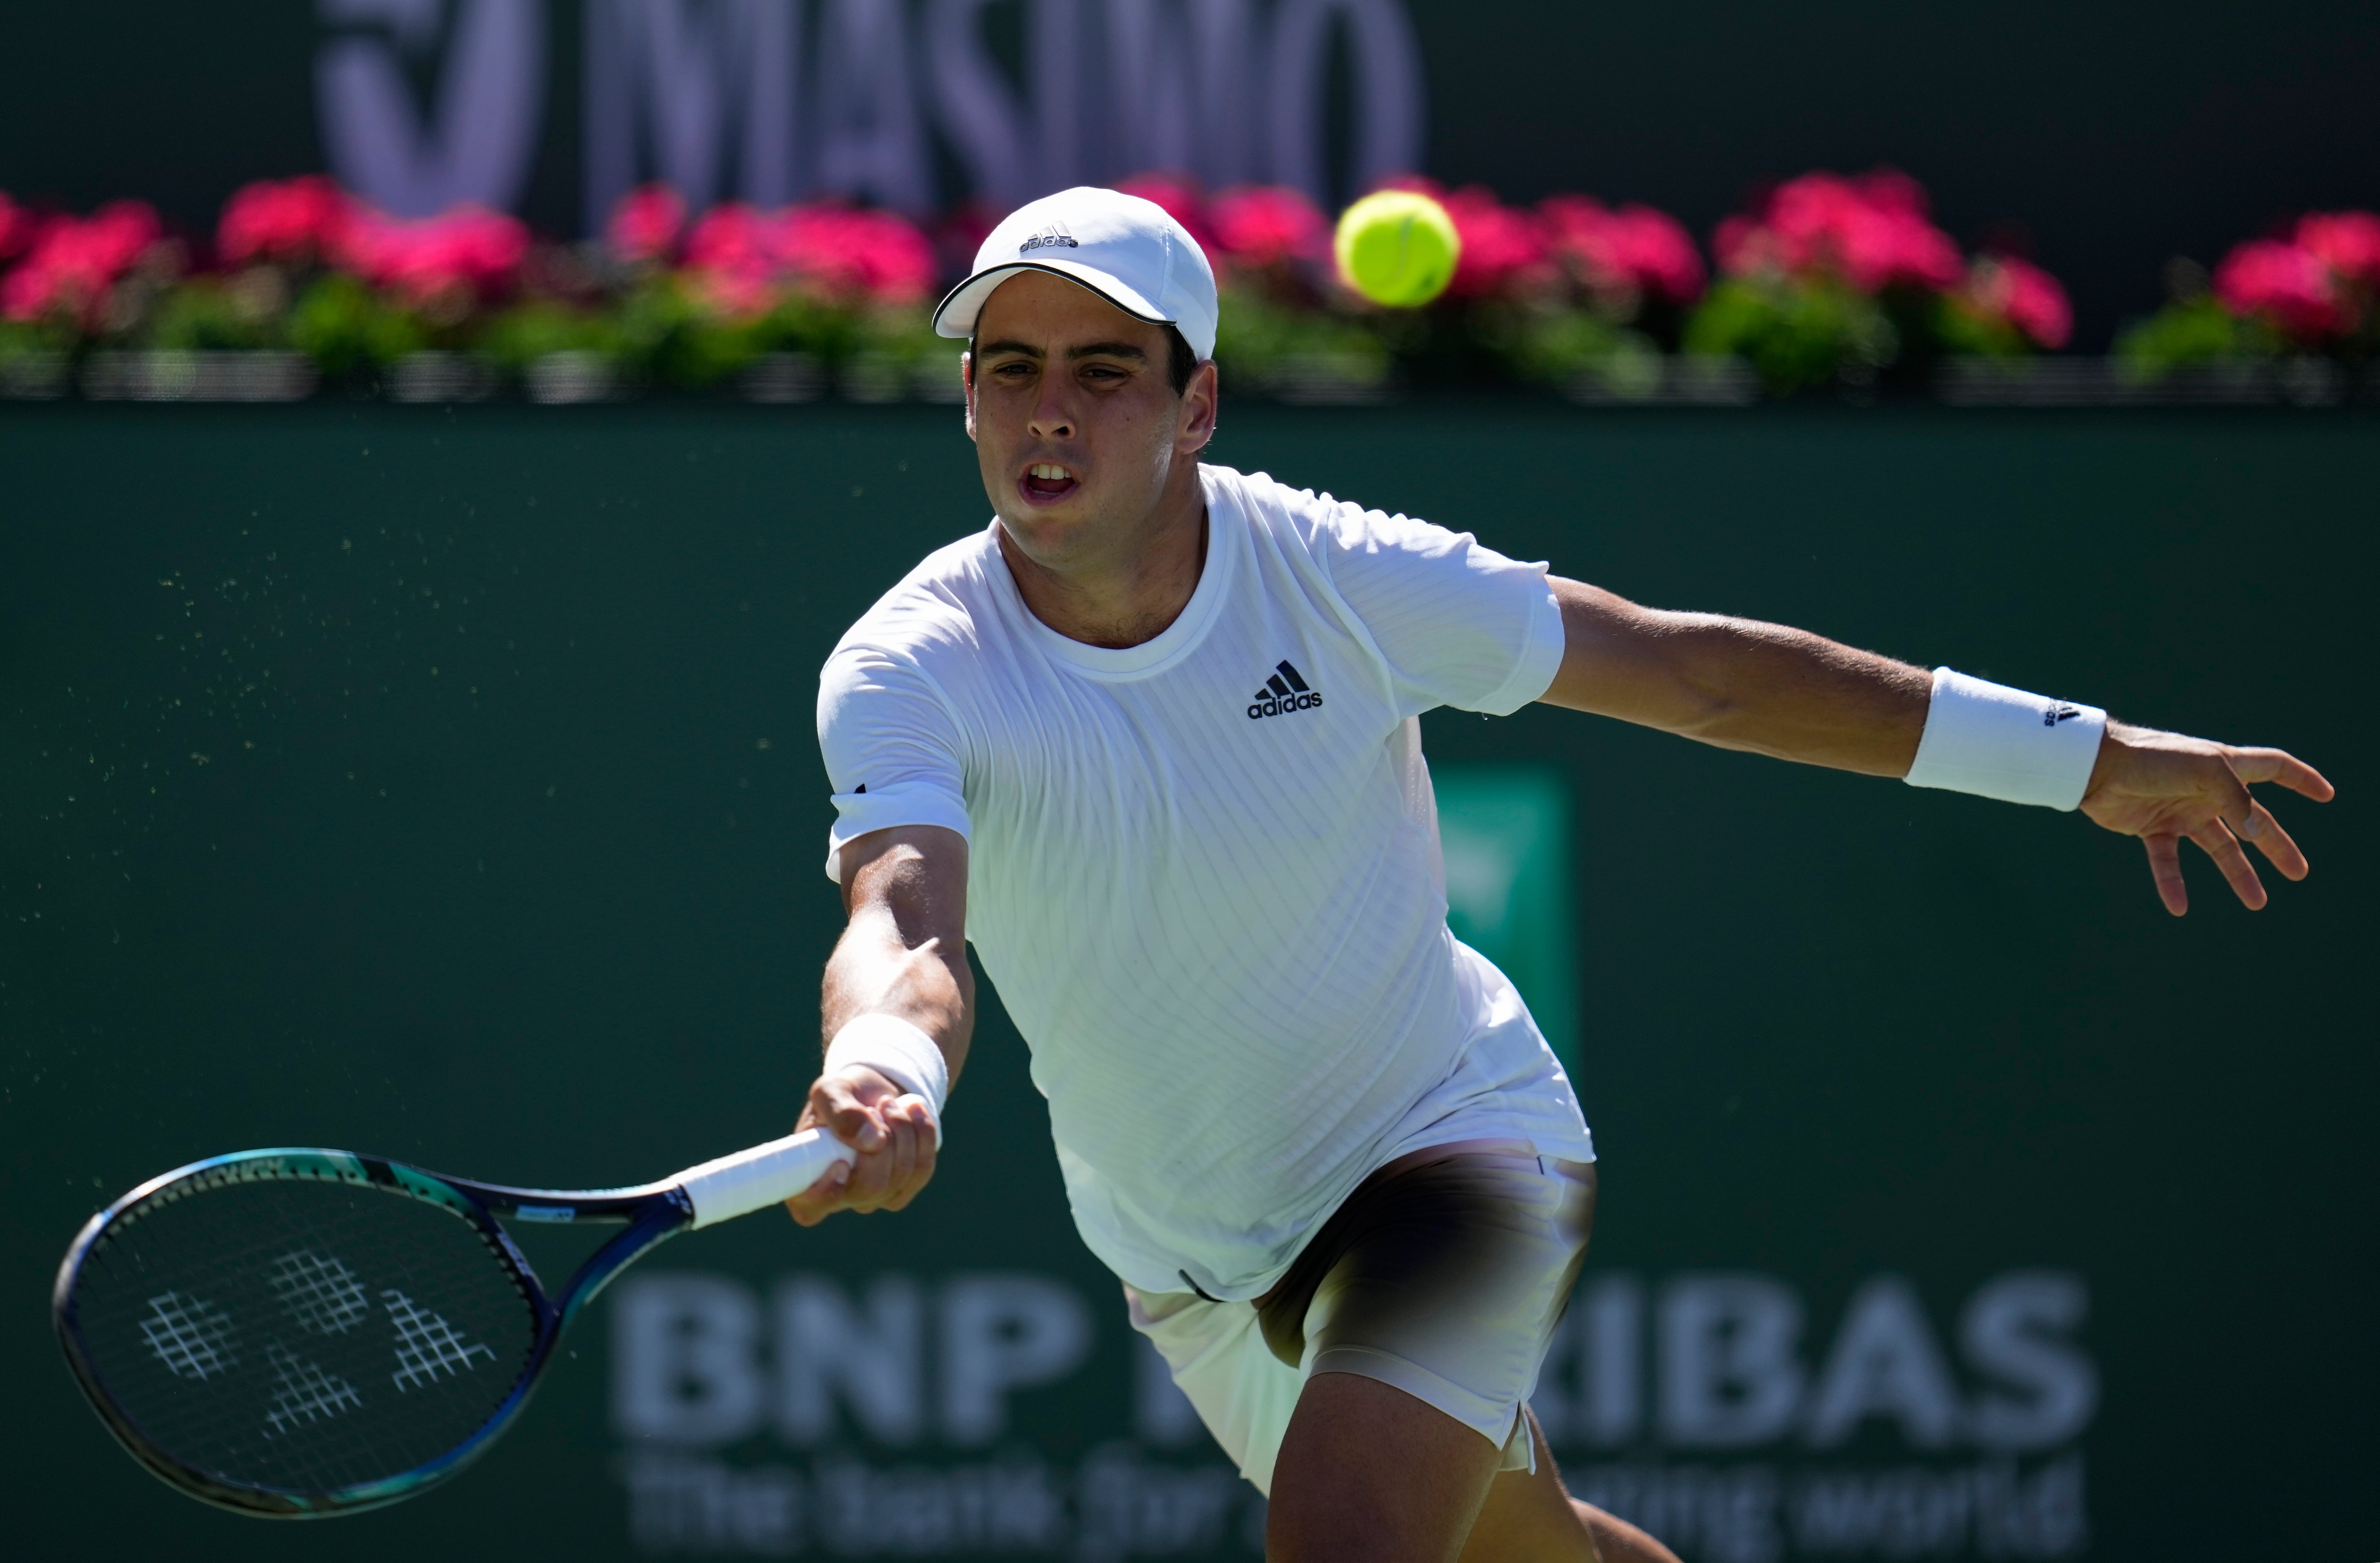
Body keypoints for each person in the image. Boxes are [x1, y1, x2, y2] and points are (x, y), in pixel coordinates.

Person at [782, 188, 2330, 1563]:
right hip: (1189, 1257)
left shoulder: (1339, 576)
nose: (1046, 411)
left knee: (1347, 1544)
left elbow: (1696, 676)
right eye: (1009, 370)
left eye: (1103, 371)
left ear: (1198, 408)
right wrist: (882, 1059)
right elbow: (907, 915)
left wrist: (2082, 755)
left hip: (1447, 1149)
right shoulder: (910, 661)